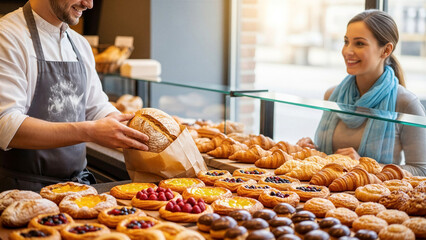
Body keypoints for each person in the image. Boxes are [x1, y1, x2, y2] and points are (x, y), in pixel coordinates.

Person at [0, 0, 149, 191]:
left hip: (77, 189)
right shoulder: (7, 36)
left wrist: (134, 129)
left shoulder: (80, 44)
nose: (89, 4)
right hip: (23, 190)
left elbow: (96, 106)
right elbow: (5, 125)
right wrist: (90, 131)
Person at [297, 10, 426, 176]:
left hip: (375, 199)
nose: (347, 51)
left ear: (386, 50)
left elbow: (421, 171)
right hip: (329, 194)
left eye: (359, 44)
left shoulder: (405, 103)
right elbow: (331, 157)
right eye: (346, 42)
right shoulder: (332, 95)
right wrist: (311, 150)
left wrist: (366, 166)